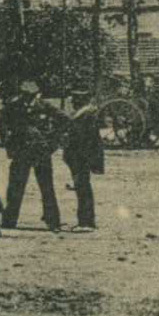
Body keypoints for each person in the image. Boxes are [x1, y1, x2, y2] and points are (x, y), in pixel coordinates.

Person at [0, 79, 63, 233]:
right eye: (24, 95)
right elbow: (1, 122)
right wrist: (8, 143)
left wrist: (53, 143)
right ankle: (9, 219)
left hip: (41, 152)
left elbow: (65, 121)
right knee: (15, 186)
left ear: (37, 95)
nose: (27, 99)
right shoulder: (14, 106)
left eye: (30, 96)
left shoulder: (45, 106)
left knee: (46, 187)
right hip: (21, 152)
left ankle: (52, 220)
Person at [62, 91, 106, 231]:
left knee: (83, 187)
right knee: (82, 187)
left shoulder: (86, 115)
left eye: (76, 99)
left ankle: (86, 222)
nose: (73, 101)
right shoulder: (86, 114)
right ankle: (86, 220)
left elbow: (85, 139)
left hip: (81, 156)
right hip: (80, 155)